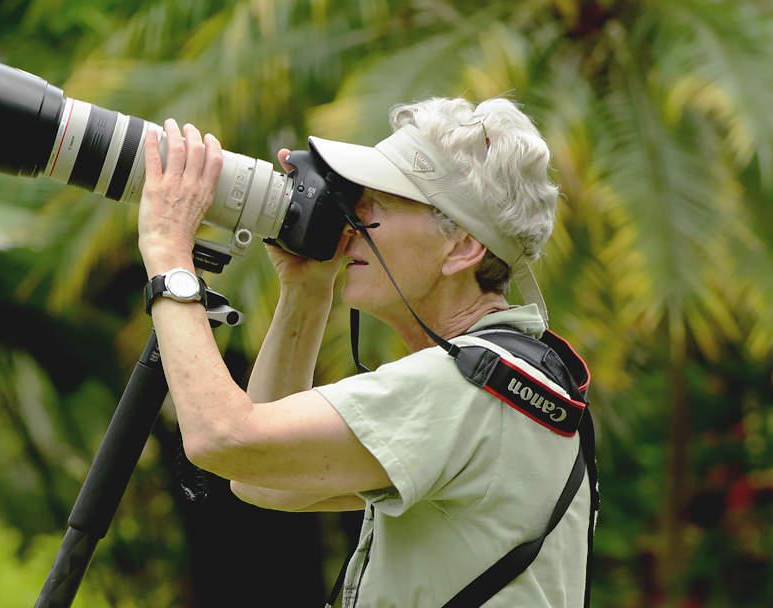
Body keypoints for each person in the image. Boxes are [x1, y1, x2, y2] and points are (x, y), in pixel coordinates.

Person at [135, 97, 590, 606]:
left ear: (462, 247)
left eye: (378, 203)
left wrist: (168, 252)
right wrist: (306, 295)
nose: (351, 220)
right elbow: (262, 480)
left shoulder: (465, 388)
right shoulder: (510, 381)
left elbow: (221, 439)